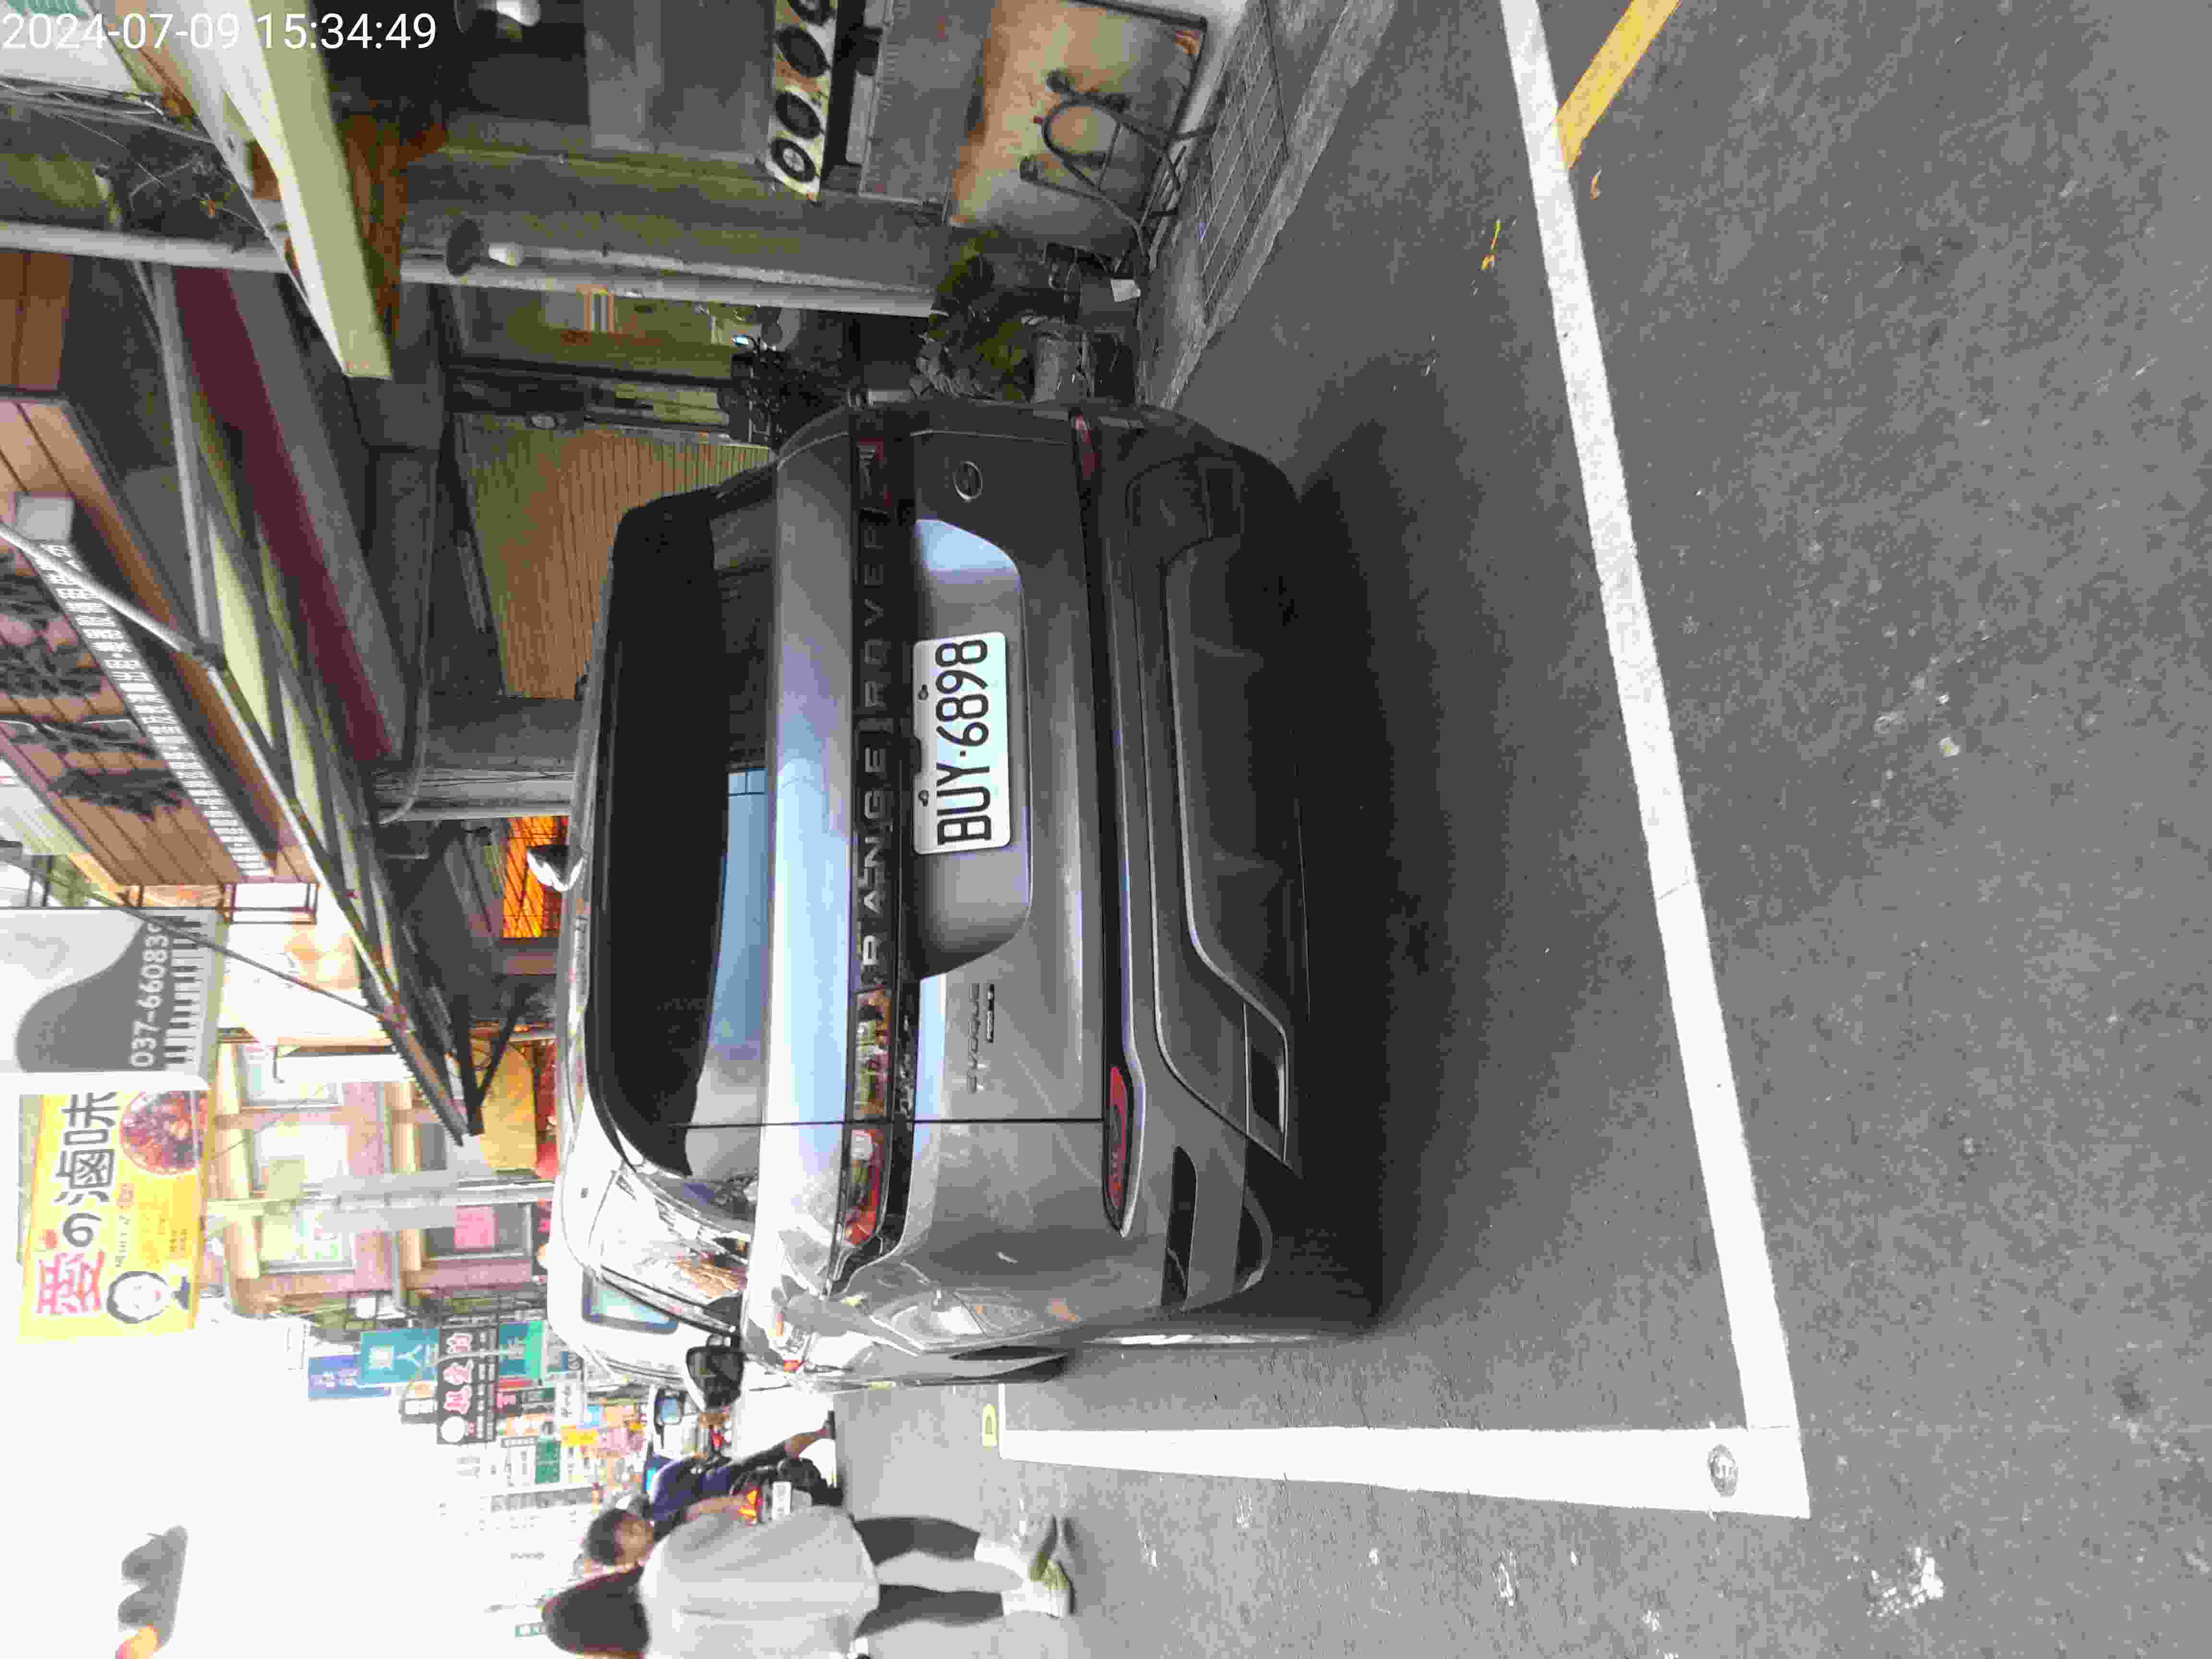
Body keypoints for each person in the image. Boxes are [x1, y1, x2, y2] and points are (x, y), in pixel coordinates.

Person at [542, 1511, 1070, 1656]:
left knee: (922, 1606)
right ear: (597, 1590)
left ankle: (1036, 1599)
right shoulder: (664, 1564)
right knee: (912, 1534)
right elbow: (728, 1525)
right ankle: (1015, 1556)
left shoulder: (666, 1656)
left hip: (818, 1629)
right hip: (815, 1558)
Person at [584, 1418, 841, 1565]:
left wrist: (732, 1503)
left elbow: (696, 1511)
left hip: (737, 1506)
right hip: (730, 1487)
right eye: (630, 1532)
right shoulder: (661, 1484)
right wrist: (710, 1463)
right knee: (774, 1454)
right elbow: (698, 1460)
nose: (638, 1528)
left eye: (632, 1523)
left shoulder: (664, 1529)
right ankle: (823, 1432)